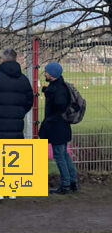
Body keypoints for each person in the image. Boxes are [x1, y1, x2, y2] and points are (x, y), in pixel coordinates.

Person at [0, 48, 33, 201]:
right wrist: (18, 113)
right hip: (15, 124)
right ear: (16, 60)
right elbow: (29, 100)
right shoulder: (23, 80)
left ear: (2, 60)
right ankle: (11, 189)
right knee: (12, 157)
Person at [39, 62, 78, 194]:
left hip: (57, 127)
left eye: (46, 72)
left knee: (59, 156)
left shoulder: (58, 89)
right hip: (63, 127)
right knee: (64, 155)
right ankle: (73, 182)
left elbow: (59, 106)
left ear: (52, 74)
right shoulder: (59, 86)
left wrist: (48, 121)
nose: (45, 73)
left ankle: (65, 185)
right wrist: (47, 91)